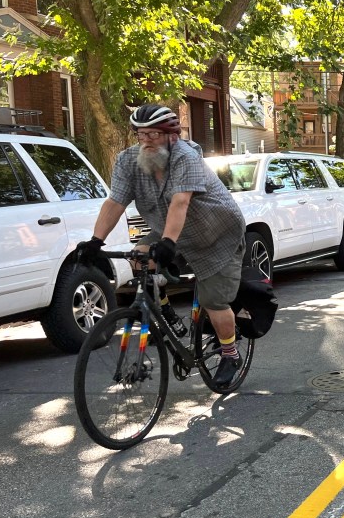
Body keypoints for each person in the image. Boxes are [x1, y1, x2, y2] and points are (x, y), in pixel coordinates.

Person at [77, 104, 247, 387]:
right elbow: (115, 201)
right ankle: (165, 309)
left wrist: (168, 243)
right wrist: (96, 241)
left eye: (153, 134)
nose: (146, 141)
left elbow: (180, 202)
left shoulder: (186, 157)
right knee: (138, 259)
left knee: (213, 301)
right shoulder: (128, 161)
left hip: (216, 234)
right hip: (169, 229)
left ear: (171, 135)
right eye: (141, 135)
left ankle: (230, 354)